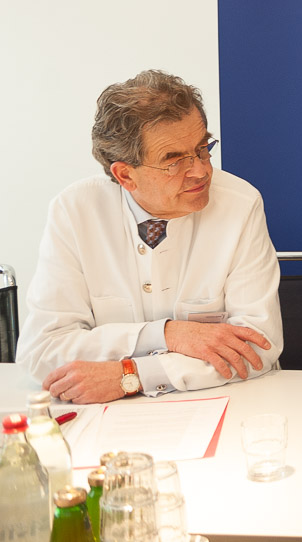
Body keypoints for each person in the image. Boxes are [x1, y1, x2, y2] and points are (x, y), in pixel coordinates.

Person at [18, 70, 282, 402]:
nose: (201, 170)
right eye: (174, 161)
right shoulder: (74, 211)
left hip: (227, 404)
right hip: (106, 419)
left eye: (202, 149)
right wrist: (167, 334)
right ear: (125, 175)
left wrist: (132, 375)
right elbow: (42, 350)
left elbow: (257, 346)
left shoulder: (240, 204)